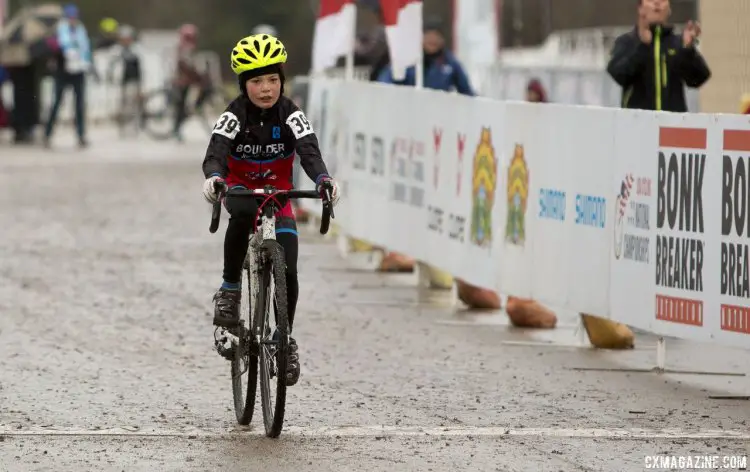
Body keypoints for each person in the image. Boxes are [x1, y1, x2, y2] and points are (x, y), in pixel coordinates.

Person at [200, 33, 340, 386]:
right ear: (244, 84)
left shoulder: (291, 113)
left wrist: (323, 179)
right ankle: (230, 290)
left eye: (273, 79)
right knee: (243, 212)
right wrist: (215, 177)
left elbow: (308, 150)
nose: (266, 88)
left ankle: (283, 338)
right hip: (242, 190)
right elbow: (215, 151)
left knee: (289, 269)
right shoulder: (234, 115)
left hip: (279, 197)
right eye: (257, 81)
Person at [606, 0, 710, 112]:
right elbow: (618, 74)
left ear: (669, 9)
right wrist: (643, 47)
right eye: (651, 0)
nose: (657, 3)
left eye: (662, 0)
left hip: (671, 125)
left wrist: (687, 50)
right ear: (640, 8)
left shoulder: (677, 43)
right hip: (637, 124)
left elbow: (699, 78)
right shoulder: (627, 42)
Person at [376, 17, 474, 96]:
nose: (432, 40)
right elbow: (384, 81)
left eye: (437, 36)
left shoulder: (450, 62)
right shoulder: (408, 58)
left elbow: (467, 91)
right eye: (428, 35)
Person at [43, 3, 92, 148]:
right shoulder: (59, 31)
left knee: (79, 105)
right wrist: (62, 50)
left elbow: (86, 48)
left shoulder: (81, 30)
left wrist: (87, 62)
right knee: (57, 103)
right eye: (70, 17)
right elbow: (53, 48)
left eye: (74, 17)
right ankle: (48, 133)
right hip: (63, 71)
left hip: (78, 70)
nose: (72, 20)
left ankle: (81, 135)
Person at [172, 23, 210, 141]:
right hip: (183, 82)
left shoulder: (184, 47)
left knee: (182, 106)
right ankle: (177, 129)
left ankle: (178, 127)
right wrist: (198, 77)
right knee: (182, 106)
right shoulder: (185, 48)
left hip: (184, 81)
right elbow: (186, 66)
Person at [107, 25, 142, 130]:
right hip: (121, 81)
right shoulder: (116, 51)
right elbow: (111, 67)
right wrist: (111, 78)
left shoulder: (137, 50)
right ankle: (122, 124)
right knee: (122, 104)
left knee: (134, 103)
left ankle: (135, 124)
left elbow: (142, 68)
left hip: (134, 81)